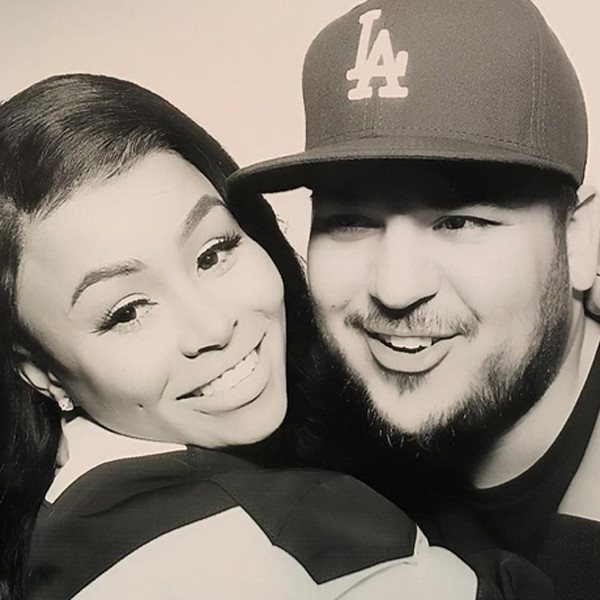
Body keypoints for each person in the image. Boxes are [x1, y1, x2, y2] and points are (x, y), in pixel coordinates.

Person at [0, 73, 553, 600]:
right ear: (41, 373)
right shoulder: (267, 532)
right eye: (127, 312)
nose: (213, 327)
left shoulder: (69, 502)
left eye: (213, 253)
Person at [228, 1, 600, 599]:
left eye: (460, 221)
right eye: (349, 221)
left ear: (580, 241)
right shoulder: (305, 431)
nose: (396, 289)